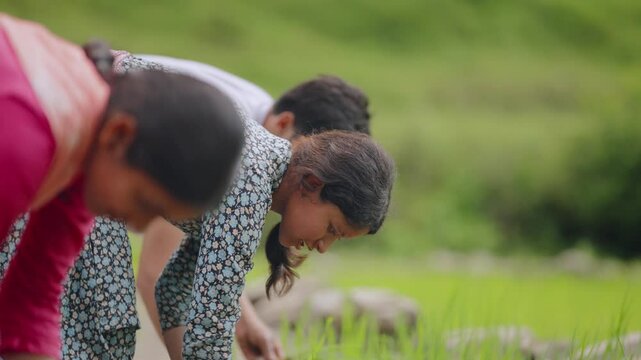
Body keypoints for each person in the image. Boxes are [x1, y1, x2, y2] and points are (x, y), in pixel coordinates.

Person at [0, 13, 244, 360]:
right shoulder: (22, 139)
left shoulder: (86, 158)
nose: (138, 227)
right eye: (144, 202)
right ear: (120, 134)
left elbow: (29, 306)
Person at [133, 54, 372, 360]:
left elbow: (205, 255)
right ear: (286, 126)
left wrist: (245, 322)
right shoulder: (229, 144)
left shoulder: (248, 128)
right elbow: (157, 269)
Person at [157, 120, 395, 359]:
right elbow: (210, 328)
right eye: (332, 229)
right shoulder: (250, 183)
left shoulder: (258, 164)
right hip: (119, 150)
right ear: (313, 184)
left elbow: (175, 289)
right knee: (118, 322)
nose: (323, 247)